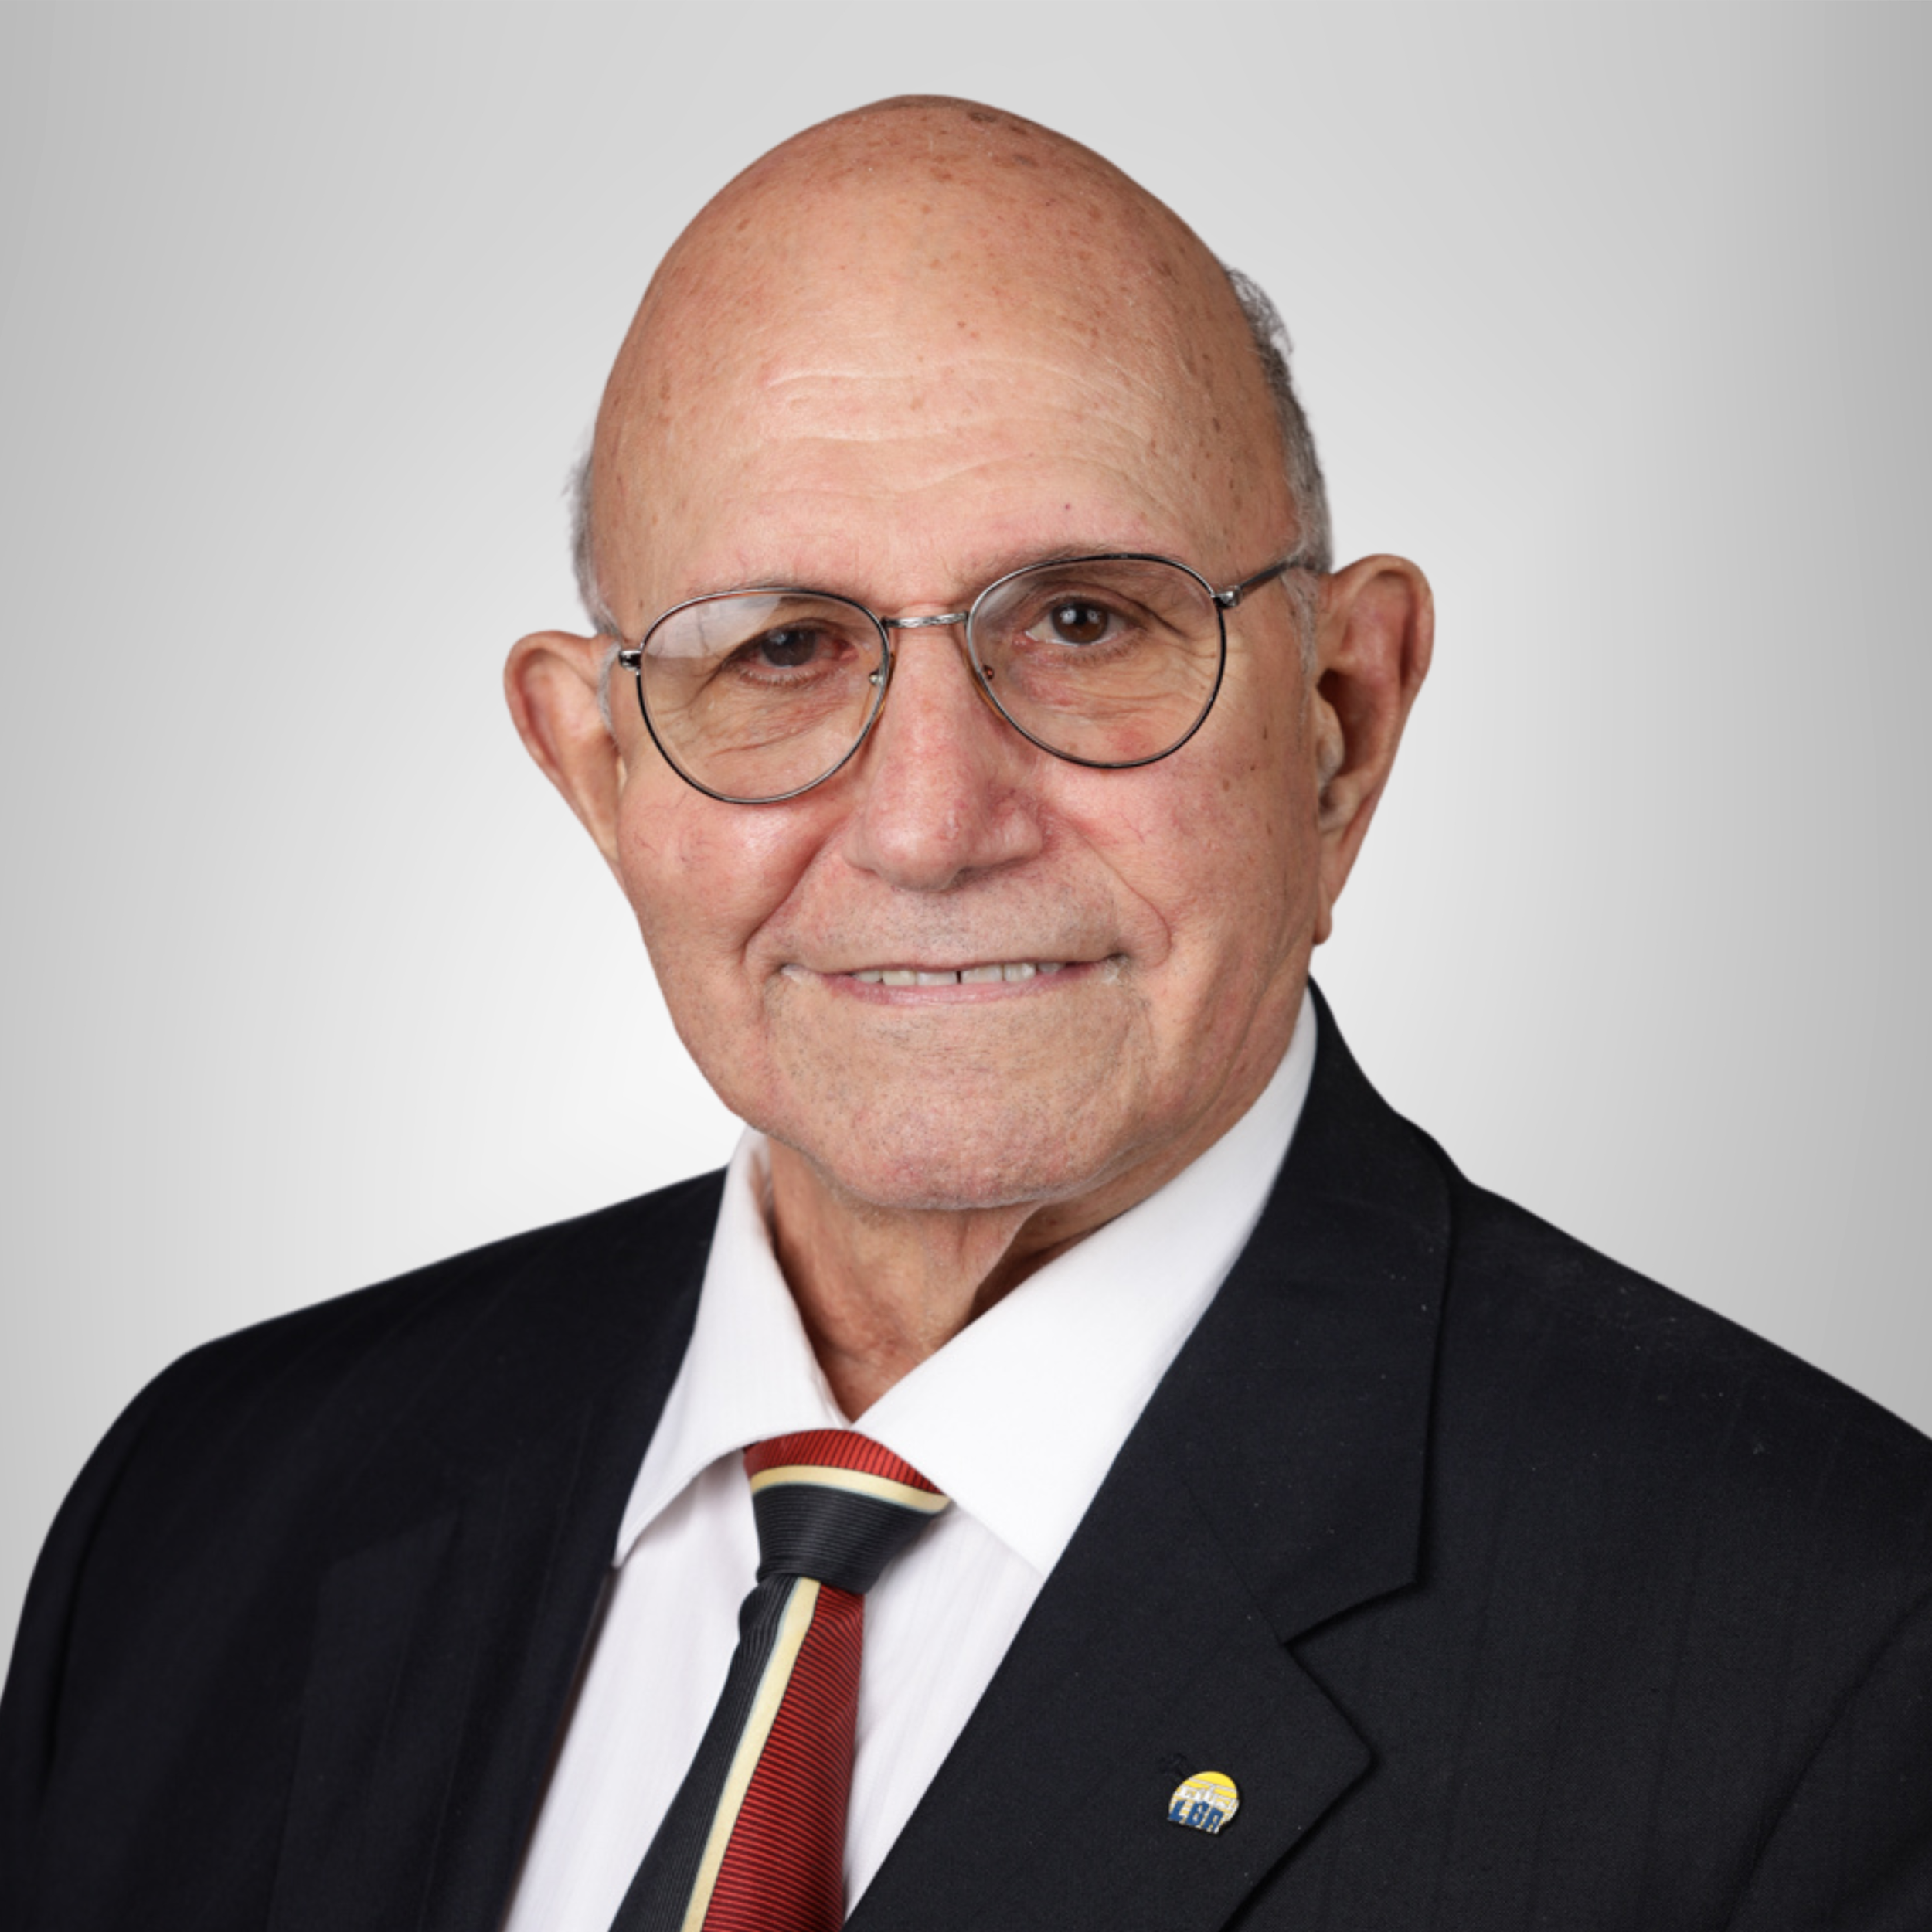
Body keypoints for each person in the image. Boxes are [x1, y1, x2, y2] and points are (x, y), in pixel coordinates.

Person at [2, 94, 1927, 1932]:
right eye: (780, 647)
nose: (929, 823)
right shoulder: (206, 1515)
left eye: (1083, 620)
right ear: (598, 771)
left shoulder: (1831, 1662)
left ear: (1341, 720)